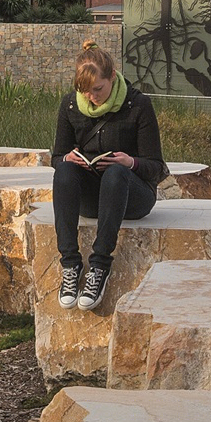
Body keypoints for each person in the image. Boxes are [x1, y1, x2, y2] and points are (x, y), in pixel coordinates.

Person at [49, 42, 166, 311]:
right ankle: (70, 264)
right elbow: (57, 157)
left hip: (132, 196)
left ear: (112, 76)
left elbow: (157, 167)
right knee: (64, 170)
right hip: (92, 198)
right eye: (85, 91)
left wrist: (131, 162)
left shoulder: (138, 105)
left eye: (98, 89)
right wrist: (67, 159)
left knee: (115, 172)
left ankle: (100, 267)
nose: (91, 97)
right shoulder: (69, 105)